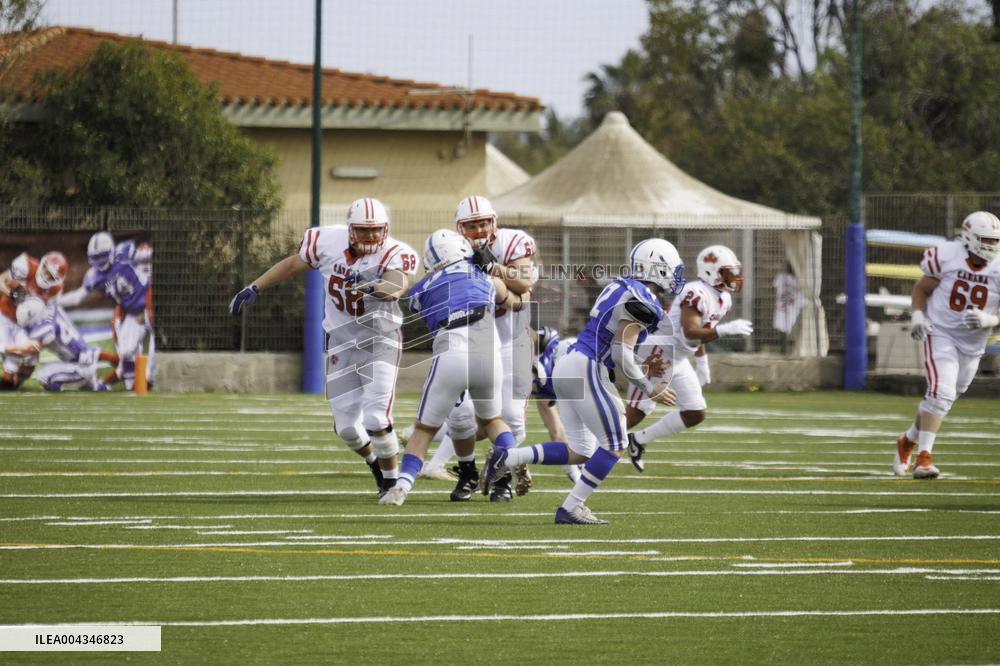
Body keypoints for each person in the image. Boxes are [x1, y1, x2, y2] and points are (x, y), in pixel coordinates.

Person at [484, 238, 684, 524]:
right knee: (616, 444)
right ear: (658, 269)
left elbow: (614, 345)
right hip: (587, 367)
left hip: (570, 363)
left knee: (581, 451)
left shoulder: (622, 285)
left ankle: (509, 458)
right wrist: (649, 387)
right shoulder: (643, 300)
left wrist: (641, 366)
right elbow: (621, 354)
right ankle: (570, 507)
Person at [230, 198, 418, 496]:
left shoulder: (395, 252)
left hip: (379, 339)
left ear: (385, 229)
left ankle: (393, 484)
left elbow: (398, 284)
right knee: (346, 429)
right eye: (363, 231)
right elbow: (293, 264)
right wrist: (256, 285)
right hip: (341, 341)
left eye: (376, 231)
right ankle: (375, 465)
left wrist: (374, 287)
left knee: (376, 417)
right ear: (349, 229)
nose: (371, 237)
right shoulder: (325, 241)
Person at [379, 229, 528, 506]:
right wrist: (494, 267)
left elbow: (413, 302)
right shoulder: (483, 275)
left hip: (452, 355)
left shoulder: (420, 289)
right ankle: (515, 458)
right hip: (489, 356)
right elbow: (510, 297)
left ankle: (401, 487)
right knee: (493, 420)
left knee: (424, 428)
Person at [625, 245, 754, 471]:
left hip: (679, 356)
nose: (734, 277)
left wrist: (702, 362)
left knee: (695, 412)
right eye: (728, 272)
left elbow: (701, 334)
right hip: (659, 352)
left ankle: (638, 441)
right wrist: (725, 330)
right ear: (711, 271)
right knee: (636, 412)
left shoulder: (723, 297)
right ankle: (591, 447)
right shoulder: (696, 291)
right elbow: (690, 332)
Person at [896, 211, 1000, 479]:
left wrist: (991, 319)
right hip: (940, 332)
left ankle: (907, 440)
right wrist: (918, 315)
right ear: (969, 236)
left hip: (974, 344)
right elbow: (922, 288)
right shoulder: (948, 255)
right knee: (940, 394)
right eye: (985, 239)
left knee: (944, 398)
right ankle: (924, 458)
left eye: (995, 240)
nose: (990, 246)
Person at [61, 237, 150, 391]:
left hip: (150, 305)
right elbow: (78, 298)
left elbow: (146, 256)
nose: (100, 260)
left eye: (102, 255)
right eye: (96, 257)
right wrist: (57, 301)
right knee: (127, 352)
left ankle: (150, 377)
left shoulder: (124, 254)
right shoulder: (94, 277)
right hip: (132, 313)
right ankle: (133, 388)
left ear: (111, 251)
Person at [8, 296, 118, 391]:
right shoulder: (54, 308)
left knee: (44, 377)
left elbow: (30, 352)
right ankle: (98, 385)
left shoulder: (46, 330)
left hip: (80, 368)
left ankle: (62, 400)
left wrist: (6, 348)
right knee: (93, 387)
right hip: (84, 357)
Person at [0, 250, 68, 389]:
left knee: (30, 361)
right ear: (42, 263)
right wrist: (12, 292)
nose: (46, 276)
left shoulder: (56, 290)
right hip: (5, 316)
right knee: (11, 366)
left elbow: (48, 318)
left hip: (25, 325)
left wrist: (38, 343)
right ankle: (8, 382)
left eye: (52, 276)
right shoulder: (26, 265)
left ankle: (13, 386)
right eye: (46, 270)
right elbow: (1, 279)